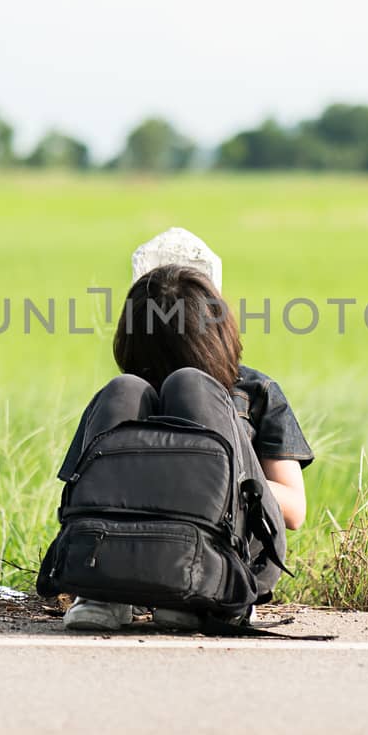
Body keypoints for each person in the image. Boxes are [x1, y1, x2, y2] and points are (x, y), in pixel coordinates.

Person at [56, 264, 314, 631]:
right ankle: (101, 592)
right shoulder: (128, 398)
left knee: (192, 387)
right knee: (123, 389)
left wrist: (226, 480)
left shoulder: (254, 393)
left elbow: (293, 510)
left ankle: (210, 589)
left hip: (227, 553)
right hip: (130, 554)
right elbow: (80, 491)